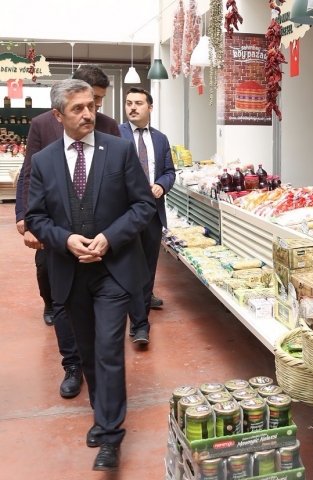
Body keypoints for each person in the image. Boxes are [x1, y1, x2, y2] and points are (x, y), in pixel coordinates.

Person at [26, 79, 155, 471]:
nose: (88, 114)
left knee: (109, 350)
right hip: (70, 272)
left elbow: (143, 205)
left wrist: (108, 238)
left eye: (90, 106)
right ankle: (103, 413)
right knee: (87, 353)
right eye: (78, 108)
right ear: (58, 115)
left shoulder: (118, 150)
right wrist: (65, 241)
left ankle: (111, 434)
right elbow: (35, 216)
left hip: (113, 271)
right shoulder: (45, 160)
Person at [14, 65, 122, 399]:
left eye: (96, 102)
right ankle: (72, 364)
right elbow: (29, 172)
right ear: (61, 109)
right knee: (59, 293)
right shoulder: (41, 125)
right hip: (56, 229)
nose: (92, 111)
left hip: (98, 234)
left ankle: (94, 369)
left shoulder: (108, 128)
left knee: (96, 311)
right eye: (84, 103)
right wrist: (25, 218)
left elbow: (118, 181)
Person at [119, 87, 175, 344]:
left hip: (152, 212)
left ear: (150, 108)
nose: (132, 107)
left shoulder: (161, 139)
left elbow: (169, 172)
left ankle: (140, 315)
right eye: (129, 103)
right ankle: (139, 322)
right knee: (128, 264)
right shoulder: (114, 135)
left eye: (139, 103)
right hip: (124, 212)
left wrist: (161, 185)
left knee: (148, 265)